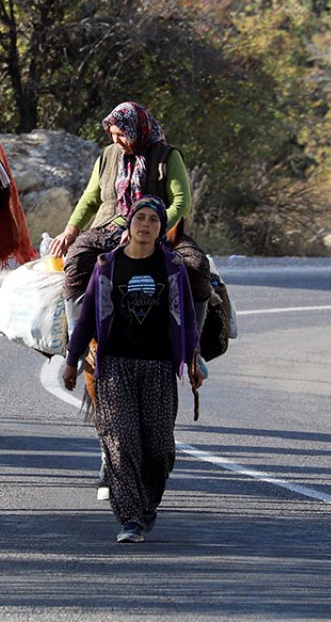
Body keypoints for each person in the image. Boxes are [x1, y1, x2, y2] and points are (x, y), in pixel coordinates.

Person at [62, 197, 203, 543]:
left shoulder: (172, 268)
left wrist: (193, 358)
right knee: (121, 443)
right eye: (140, 218)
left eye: (153, 220)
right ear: (129, 225)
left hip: (158, 369)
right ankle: (130, 519)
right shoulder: (107, 266)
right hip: (114, 369)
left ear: (160, 228)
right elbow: (87, 318)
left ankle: (147, 504)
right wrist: (71, 360)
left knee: (159, 449)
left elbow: (185, 316)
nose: (146, 225)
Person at [47, 101, 211, 320]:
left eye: (122, 134)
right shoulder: (107, 156)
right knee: (77, 259)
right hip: (109, 228)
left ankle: (193, 345)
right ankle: (78, 334)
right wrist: (70, 231)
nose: (116, 140)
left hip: (157, 230)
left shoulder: (168, 157)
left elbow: (181, 203)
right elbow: (90, 199)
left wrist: (150, 230)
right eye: (112, 134)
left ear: (138, 131)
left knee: (197, 266)